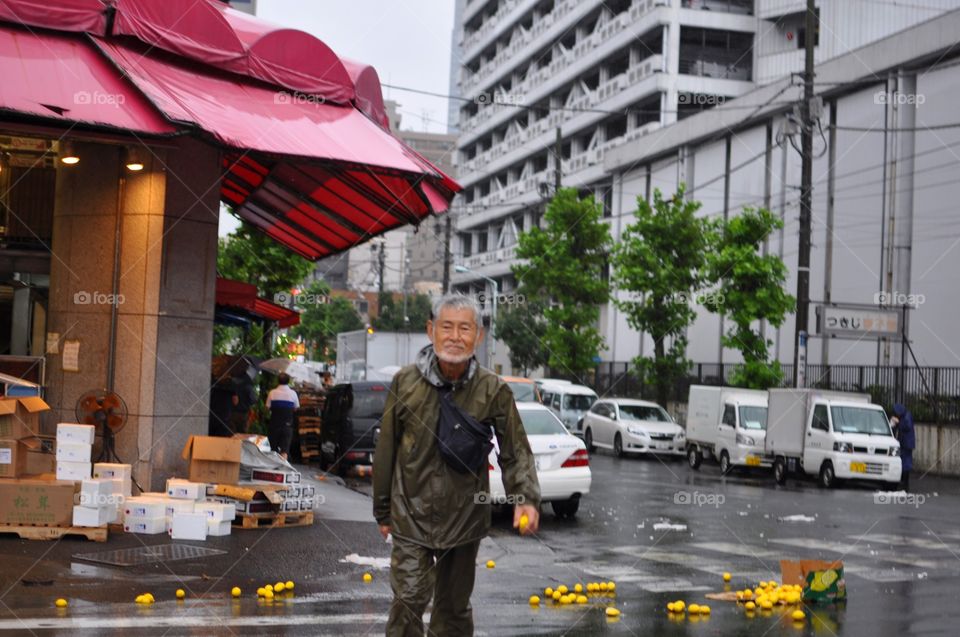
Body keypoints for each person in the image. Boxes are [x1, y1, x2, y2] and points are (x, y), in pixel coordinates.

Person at [373, 294, 541, 636]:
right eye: (446, 327)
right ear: (431, 330)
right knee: (407, 601)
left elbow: (515, 449)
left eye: (464, 328)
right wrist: (383, 511)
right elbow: (386, 447)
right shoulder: (405, 382)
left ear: (478, 336)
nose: (455, 336)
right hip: (410, 516)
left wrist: (525, 497)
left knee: (452, 611)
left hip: (465, 519)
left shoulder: (493, 390)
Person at [266, 373, 299, 459]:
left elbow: (267, 407)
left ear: (278, 381)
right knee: (285, 449)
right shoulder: (293, 393)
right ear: (288, 381)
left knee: (273, 448)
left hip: (274, 424)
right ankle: (283, 464)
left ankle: (273, 464)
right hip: (287, 425)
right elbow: (296, 408)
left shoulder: (272, 393)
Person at [892, 403, 915, 492]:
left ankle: (905, 483)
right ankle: (904, 483)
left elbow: (906, 426)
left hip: (906, 443)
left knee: (905, 463)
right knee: (904, 462)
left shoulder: (906, 416)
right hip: (906, 443)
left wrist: (898, 422)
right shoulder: (906, 415)